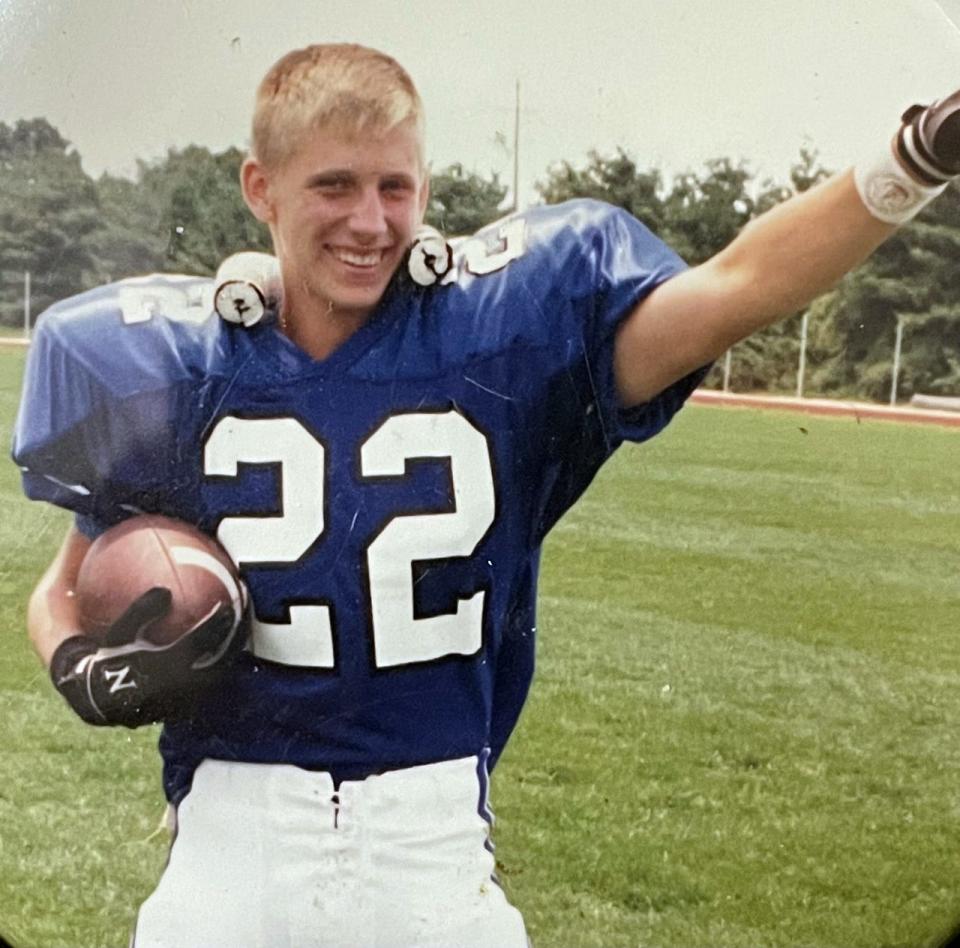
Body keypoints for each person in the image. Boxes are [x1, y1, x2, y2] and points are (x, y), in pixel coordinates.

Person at [12, 42, 960, 948]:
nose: (370, 221)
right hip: (228, 835)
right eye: (333, 185)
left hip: (432, 840)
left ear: (425, 186)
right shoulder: (174, 362)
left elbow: (738, 285)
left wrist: (912, 157)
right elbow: (62, 592)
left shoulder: (498, 332)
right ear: (260, 188)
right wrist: (78, 669)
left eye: (395, 186)